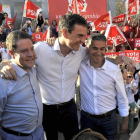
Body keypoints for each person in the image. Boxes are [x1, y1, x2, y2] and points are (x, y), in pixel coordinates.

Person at [0, 13, 135, 140]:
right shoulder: (41, 49)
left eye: (84, 36)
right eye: (79, 35)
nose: (83, 40)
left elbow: (99, 57)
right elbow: (19, 57)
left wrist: (121, 57)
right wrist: (4, 64)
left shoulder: (81, 52)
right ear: (64, 32)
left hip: (69, 109)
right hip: (47, 110)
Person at [79, 33, 129, 140]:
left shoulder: (114, 69)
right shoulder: (80, 65)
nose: (99, 52)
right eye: (95, 48)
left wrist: (125, 118)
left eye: (102, 49)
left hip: (109, 121)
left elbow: (121, 95)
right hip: (87, 120)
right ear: (88, 48)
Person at [0, 30, 44, 140]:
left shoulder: (33, 69)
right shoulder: (3, 79)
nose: (31, 54)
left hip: (39, 133)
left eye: (32, 49)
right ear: (11, 53)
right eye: (24, 51)